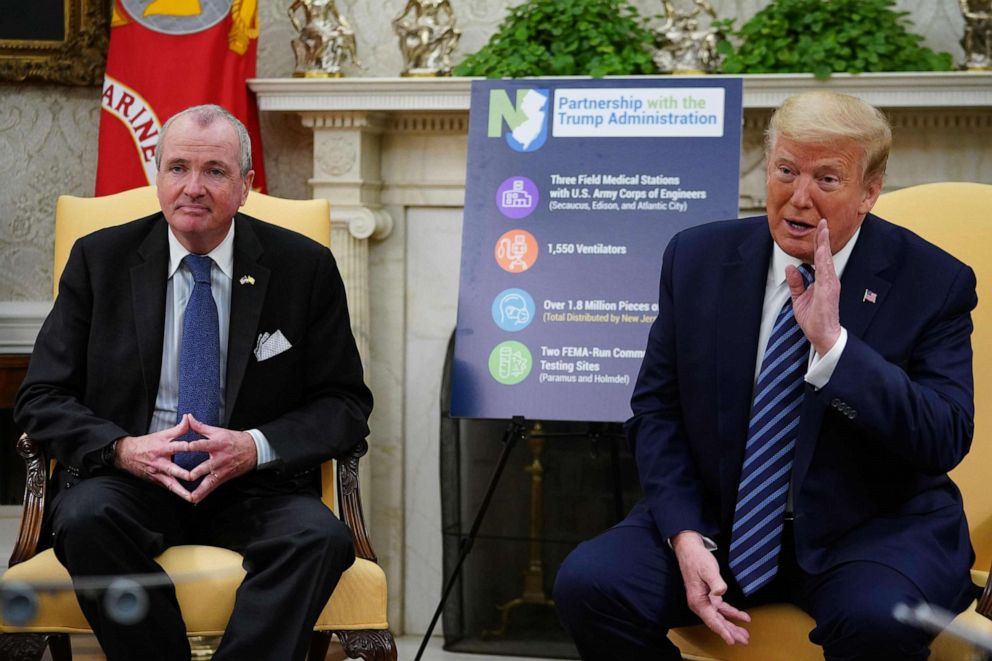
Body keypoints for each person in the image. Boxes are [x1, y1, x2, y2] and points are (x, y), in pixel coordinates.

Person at [554, 91, 979, 660]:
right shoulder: (697, 258)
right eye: (785, 171)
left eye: (827, 179)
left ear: (870, 191)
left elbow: (944, 435)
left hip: (871, 530)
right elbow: (657, 410)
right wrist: (686, 533)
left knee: (879, 620)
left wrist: (835, 348)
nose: (798, 198)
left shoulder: (934, 282)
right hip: (721, 521)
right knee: (592, 584)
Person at [14, 104, 373, 661]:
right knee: (85, 520)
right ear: (157, 176)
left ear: (246, 186)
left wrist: (253, 447)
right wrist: (124, 449)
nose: (193, 188)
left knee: (320, 539)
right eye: (177, 167)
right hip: (130, 479)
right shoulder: (100, 260)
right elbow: (41, 397)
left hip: (254, 484)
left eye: (215, 171)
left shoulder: (304, 267)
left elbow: (344, 403)